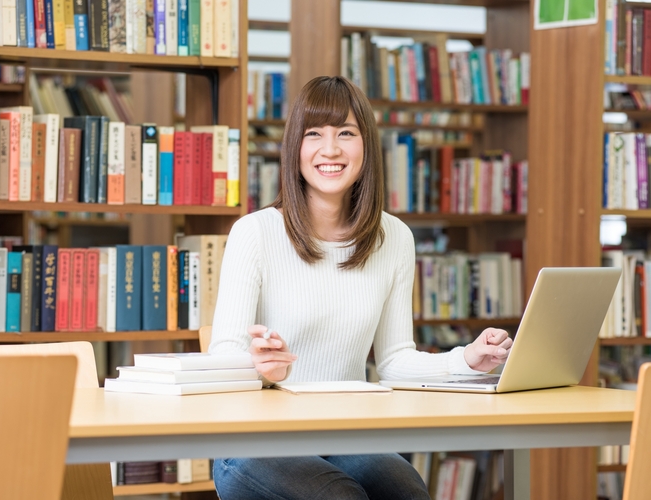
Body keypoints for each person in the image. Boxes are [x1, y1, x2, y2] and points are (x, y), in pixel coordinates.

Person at [208, 76, 513, 500]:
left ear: (366, 146)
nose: (329, 149)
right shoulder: (255, 233)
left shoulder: (395, 238)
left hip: (342, 432)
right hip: (253, 441)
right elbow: (221, 353)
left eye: (345, 134)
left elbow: (393, 361)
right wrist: (258, 369)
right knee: (342, 496)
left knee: (406, 490)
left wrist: (469, 360)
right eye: (314, 134)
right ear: (295, 147)